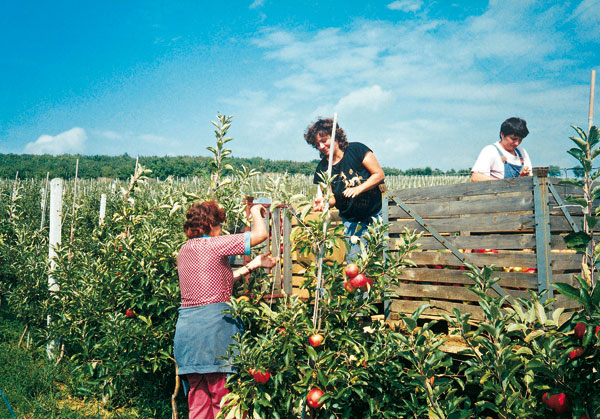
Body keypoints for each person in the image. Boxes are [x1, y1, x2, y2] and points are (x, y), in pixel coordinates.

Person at [174, 201, 277, 419]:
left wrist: (255, 264)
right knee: (225, 402)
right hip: (215, 335)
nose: (221, 230)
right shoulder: (215, 244)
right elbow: (260, 235)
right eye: (219, 225)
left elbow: (216, 281)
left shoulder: (184, 251)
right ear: (210, 224)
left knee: (198, 404)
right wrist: (256, 212)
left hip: (188, 338)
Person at [304, 117, 385, 260]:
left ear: (335, 136)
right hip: (352, 219)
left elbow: (378, 174)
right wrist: (323, 203)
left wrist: (358, 189)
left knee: (382, 255)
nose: (321, 146)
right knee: (354, 261)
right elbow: (331, 199)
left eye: (324, 141)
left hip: (376, 212)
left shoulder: (356, 150)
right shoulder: (323, 168)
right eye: (317, 144)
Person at [471, 117, 532, 181]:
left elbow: (531, 179)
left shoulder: (522, 152)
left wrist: (525, 177)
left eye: (520, 140)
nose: (517, 143)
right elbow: (476, 177)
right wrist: (504, 184)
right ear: (502, 134)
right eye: (513, 139)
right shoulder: (490, 150)